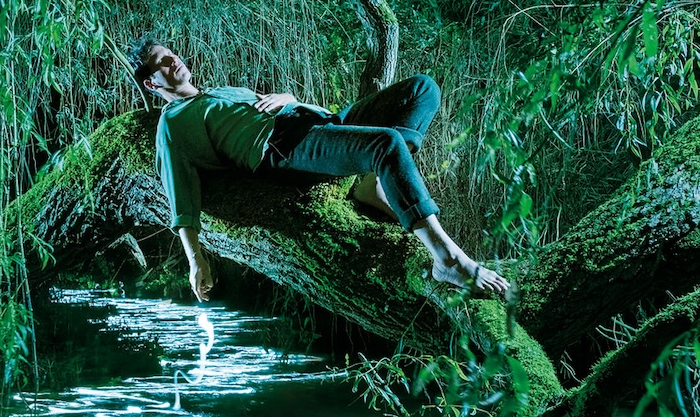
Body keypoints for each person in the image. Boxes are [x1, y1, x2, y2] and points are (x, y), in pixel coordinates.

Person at [128, 38, 510, 303]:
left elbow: (297, 111)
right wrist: (196, 260)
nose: (172, 60)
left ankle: (371, 183)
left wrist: (293, 99)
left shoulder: (222, 92)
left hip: (316, 122)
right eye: (161, 62)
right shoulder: (173, 122)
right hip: (284, 147)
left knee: (421, 89)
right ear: (152, 82)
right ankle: (448, 259)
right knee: (387, 144)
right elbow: (180, 190)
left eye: (170, 53)